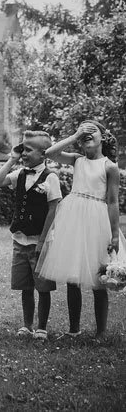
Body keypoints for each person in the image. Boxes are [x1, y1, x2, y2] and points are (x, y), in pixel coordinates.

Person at [36, 120, 120, 339]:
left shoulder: (109, 167)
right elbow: (50, 153)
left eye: (92, 130)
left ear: (104, 136)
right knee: (73, 277)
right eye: (83, 131)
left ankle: (100, 332)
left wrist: (114, 234)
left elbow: (112, 202)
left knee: (97, 278)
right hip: (73, 219)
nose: (87, 133)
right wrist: (75, 135)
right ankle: (74, 329)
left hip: (97, 220)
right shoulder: (77, 160)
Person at [0, 131, 61, 340]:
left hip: (41, 241)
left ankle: (41, 328)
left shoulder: (51, 177)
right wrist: (12, 158)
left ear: (43, 154)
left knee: (43, 287)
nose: (24, 153)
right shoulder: (19, 173)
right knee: (26, 287)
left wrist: (41, 241)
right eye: (22, 148)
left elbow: (53, 210)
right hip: (19, 241)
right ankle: (26, 325)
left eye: (28, 149)